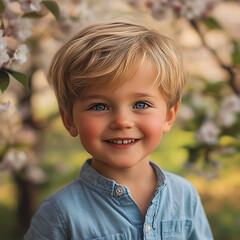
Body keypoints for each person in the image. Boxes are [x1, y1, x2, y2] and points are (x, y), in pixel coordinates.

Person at [24, 21, 214, 240]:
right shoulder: (59, 215)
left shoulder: (184, 197)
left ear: (169, 116)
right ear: (69, 120)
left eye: (141, 104)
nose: (122, 122)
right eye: (99, 106)